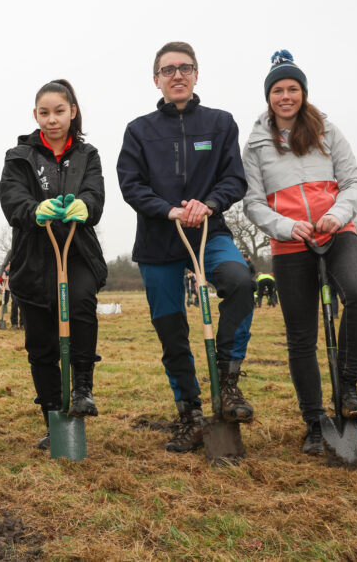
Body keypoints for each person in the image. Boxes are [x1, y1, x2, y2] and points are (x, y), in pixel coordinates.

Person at [117, 41, 255, 453]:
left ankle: (227, 383)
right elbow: (131, 185)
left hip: (210, 233)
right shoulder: (138, 130)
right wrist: (168, 210)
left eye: (185, 68)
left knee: (241, 282)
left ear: (196, 74)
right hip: (159, 242)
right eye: (168, 69)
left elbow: (234, 179)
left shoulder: (220, 123)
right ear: (155, 79)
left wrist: (208, 204)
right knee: (172, 332)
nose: (177, 75)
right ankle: (190, 413)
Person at [242, 50, 357, 456]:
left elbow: (353, 181)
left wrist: (336, 214)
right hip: (289, 244)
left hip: (337, 233)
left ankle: (348, 385)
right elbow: (252, 202)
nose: (286, 96)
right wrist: (286, 226)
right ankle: (315, 421)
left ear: (304, 92)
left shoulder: (328, 132)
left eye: (293, 89)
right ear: (269, 96)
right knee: (301, 337)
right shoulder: (255, 144)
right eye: (278, 90)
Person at [0, 79, 106, 449]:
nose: (52, 119)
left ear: (72, 112)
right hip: (34, 256)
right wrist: (34, 210)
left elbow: (96, 195)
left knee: (80, 304)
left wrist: (86, 207)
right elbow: (12, 200)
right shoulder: (18, 156)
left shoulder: (87, 154)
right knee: (41, 343)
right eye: (44, 113)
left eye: (59, 111)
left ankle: (82, 389)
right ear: (35, 115)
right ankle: (52, 417)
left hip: (76, 250)